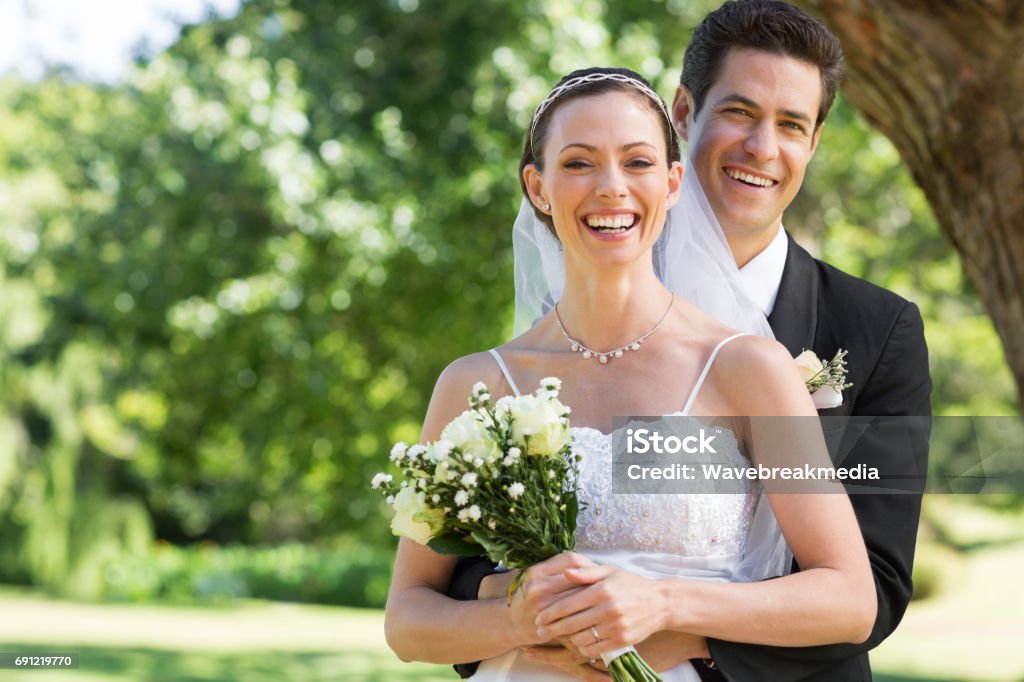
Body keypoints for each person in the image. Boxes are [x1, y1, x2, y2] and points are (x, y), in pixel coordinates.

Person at [447, 2, 932, 681]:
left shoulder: (877, 333)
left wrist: (679, 635)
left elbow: (874, 584)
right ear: (682, 113)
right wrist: (532, 615)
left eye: (791, 124)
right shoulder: (575, 304)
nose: (762, 147)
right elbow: (479, 544)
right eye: (738, 112)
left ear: (814, 143)